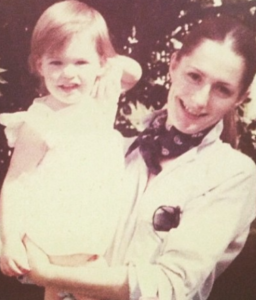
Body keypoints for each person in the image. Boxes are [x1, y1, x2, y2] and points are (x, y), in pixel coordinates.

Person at [23, 15, 256, 300]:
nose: (199, 100)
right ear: (173, 65)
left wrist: (47, 274)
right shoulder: (115, 151)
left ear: (240, 98)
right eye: (194, 76)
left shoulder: (232, 175)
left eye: (223, 89)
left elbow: (169, 285)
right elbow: (48, 217)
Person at [0, 1, 141, 300]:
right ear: (39, 64)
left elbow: (135, 73)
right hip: (57, 249)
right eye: (56, 62)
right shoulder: (40, 120)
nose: (68, 74)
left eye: (80, 62)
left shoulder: (102, 95)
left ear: (101, 64)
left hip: (97, 246)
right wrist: (10, 239)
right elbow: (16, 182)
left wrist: (111, 63)